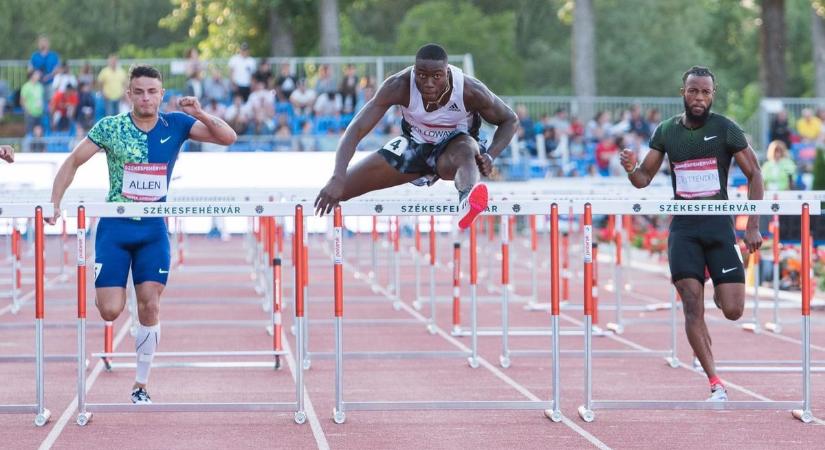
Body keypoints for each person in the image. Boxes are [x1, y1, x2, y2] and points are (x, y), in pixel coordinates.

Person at [46, 65, 237, 404]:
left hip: (152, 229)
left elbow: (228, 138)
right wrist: (54, 202)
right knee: (109, 310)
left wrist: (200, 113)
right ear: (129, 94)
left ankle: (141, 383)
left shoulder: (176, 124)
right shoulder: (111, 127)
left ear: (162, 95)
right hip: (115, 229)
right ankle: (129, 308)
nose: (146, 97)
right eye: (140, 91)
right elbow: (74, 161)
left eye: (152, 91)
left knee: (150, 304)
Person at [619, 66, 763, 402]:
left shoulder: (726, 129)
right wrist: (629, 168)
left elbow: (755, 172)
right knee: (690, 305)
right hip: (683, 229)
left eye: (705, 92)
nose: (699, 98)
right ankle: (715, 382)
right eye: (693, 91)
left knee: (733, 310)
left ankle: (718, 285)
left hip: (718, 227)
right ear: (682, 92)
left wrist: (753, 224)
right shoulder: (667, 131)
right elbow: (643, 179)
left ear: (713, 94)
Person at [314, 43, 518, 229]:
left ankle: (467, 199)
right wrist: (337, 176)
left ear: (447, 73)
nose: (428, 83)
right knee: (339, 189)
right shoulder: (399, 86)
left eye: (436, 76)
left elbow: (510, 120)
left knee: (466, 148)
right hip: (414, 147)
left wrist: (490, 155)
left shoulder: (469, 90)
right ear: (414, 71)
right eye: (421, 75)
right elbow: (356, 129)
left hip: (454, 151)